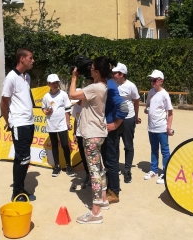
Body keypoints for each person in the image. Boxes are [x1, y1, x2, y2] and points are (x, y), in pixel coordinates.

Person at [69, 56, 117, 224]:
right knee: (99, 168)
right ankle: (103, 199)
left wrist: (74, 77)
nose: (89, 69)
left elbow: (72, 94)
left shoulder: (95, 87)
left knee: (94, 172)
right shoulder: (102, 86)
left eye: (91, 68)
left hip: (91, 134)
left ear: (97, 72)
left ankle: (95, 213)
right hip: (99, 133)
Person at [0, 47, 36, 202]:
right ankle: (17, 193)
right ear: (22, 58)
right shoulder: (11, 78)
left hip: (29, 123)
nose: (33, 61)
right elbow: (4, 103)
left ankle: (20, 189)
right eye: (30, 58)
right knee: (22, 159)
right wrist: (9, 122)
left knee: (24, 158)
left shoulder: (26, 77)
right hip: (19, 124)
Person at [101, 67, 129, 204]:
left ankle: (114, 192)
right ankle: (109, 188)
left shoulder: (110, 85)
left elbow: (124, 107)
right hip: (103, 129)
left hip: (109, 130)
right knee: (107, 160)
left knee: (111, 161)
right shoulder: (106, 83)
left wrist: (116, 124)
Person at [112, 63, 141, 183]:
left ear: (122, 74)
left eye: (116, 73)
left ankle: (127, 170)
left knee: (128, 145)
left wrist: (136, 117)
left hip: (128, 119)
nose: (113, 75)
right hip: (115, 118)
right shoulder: (112, 85)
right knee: (115, 145)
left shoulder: (131, 86)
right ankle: (116, 168)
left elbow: (136, 101)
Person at [42, 74, 75, 177]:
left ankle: (69, 166)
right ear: (49, 84)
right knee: (54, 145)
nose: (55, 84)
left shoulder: (63, 94)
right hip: (51, 125)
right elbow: (43, 109)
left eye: (57, 82)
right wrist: (46, 111)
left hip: (62, 125)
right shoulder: (46, 96)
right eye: (53, 83)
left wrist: (67, 123)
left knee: (65, 145)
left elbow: (67, 110)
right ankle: (57, 166)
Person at [144, 69, 174, 184]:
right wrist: (147, 110)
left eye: (154, 80)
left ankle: (165, 172)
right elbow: (147, 106)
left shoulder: (165, 94)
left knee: (165, 150)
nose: (152, 82)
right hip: (151, 127)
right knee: (153, 149)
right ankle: (153, 170)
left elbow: (170, 112)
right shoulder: (151, 92)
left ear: (161, 81)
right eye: (151, 80)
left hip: (162, 127)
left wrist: (168, 127)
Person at [71, 78, 95, 189]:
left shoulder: (89, 105)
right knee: (83, 155)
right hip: (79, 134)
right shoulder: (76, 106)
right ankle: (87, 173)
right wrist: (74, 133)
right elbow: (76, 120)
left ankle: (93, 176)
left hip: (88, 134)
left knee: (90, 156)